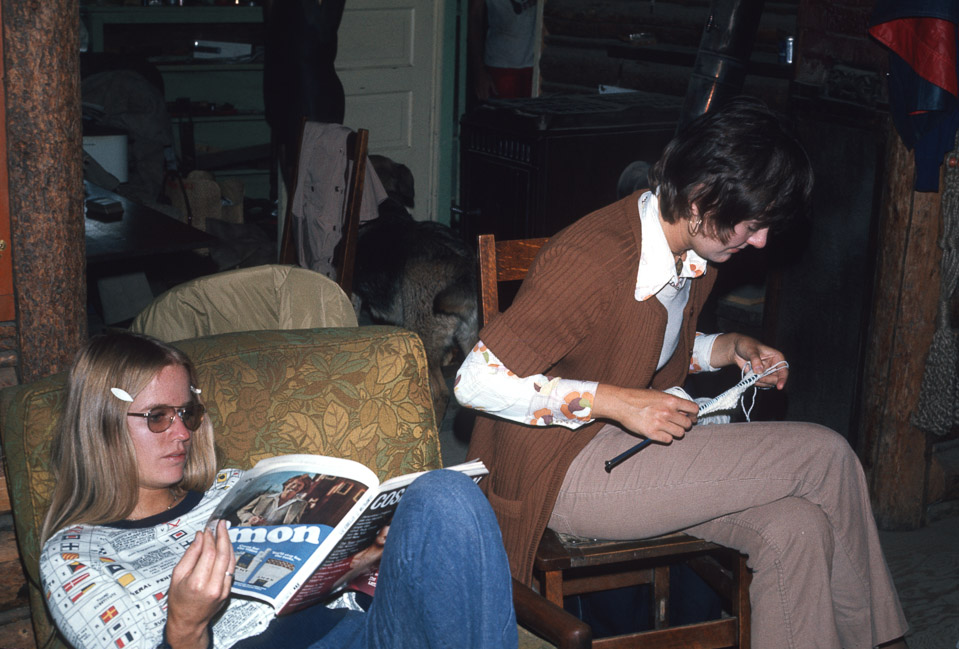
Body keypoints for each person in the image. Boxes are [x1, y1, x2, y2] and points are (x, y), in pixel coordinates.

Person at [454, 97, 910, 649]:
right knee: (826, 455)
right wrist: (617, 402)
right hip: (558, 469)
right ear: (700, 200)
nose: (761, 241)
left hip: (619, 451)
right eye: (752, 223)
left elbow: (631, 340)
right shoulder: (593, 258)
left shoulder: (686, 248)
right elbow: (474, 380)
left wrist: (725, 348)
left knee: (799, 529)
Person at [40, 332, 517, 649]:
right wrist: (186, 625)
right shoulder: (74, 557)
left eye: (187, 414)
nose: (182, 433)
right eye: (158, 417)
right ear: (99, 423)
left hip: (361, 635)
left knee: (444, 492)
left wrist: (364, 558)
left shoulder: (233, 491)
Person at [468, 0, 537, 101]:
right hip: (499, 65)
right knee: (502, 114)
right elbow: (475, 17)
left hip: (534, 65)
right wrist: (479, 72)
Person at [235, 474, 311, 526]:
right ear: (286, 484)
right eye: (293, 483)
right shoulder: (264, 497)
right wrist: (250, 518)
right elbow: (242, 511)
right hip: (247, 529)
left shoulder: (300, 504)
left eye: (299, 485)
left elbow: (293, 524)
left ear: (302, 489)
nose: (294, 487)